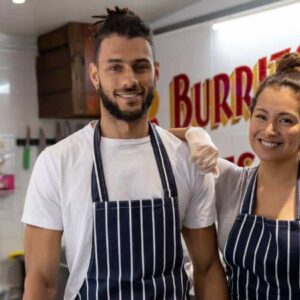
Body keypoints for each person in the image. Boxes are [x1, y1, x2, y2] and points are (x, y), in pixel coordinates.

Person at [21, 7, 228, 300]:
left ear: (155, 73)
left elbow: (207, 269)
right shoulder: (57, 162)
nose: (129, 80)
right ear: (94, 75)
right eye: (115, 67)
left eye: (140, 66)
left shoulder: (185, 159)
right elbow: (40, 281)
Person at [171, 52, 300, 299]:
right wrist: (192, 133)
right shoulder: (230, 181)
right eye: (261, 116)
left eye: (285, 120)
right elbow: (146, 136)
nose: (270, 130)